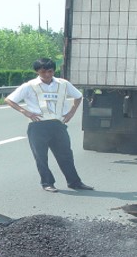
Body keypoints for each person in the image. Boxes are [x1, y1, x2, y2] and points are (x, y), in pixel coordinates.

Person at [5, 58, 93, 192]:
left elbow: (78, 96)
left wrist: (71, 113)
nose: (47, 75)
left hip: (58, 125)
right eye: (43, 72)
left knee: (66, 155)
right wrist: (24, 111)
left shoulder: (63, 84)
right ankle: (47, 183)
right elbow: (10, 99)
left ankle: (74, 182)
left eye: (50, 71)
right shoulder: (29, 85)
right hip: (38, 126)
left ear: (54, 70)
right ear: (37, 72)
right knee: (41, 156)